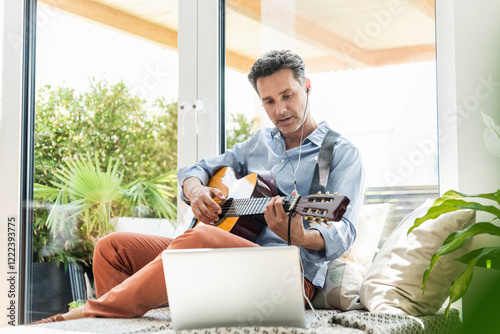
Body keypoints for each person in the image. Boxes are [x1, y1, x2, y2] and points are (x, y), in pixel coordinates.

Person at [31, 49, 365, 324]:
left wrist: (301, 235)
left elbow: (344, 229)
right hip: (230, 258)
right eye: (268, 101)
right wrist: (197, 192)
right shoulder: (260, 142)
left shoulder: (338, 153)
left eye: (287, 95)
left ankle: (90, 312)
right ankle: (119, 326)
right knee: (111, 247)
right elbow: (195, 170)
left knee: (201, 238)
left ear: (307, 86)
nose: (280, 110)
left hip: (289, 275)